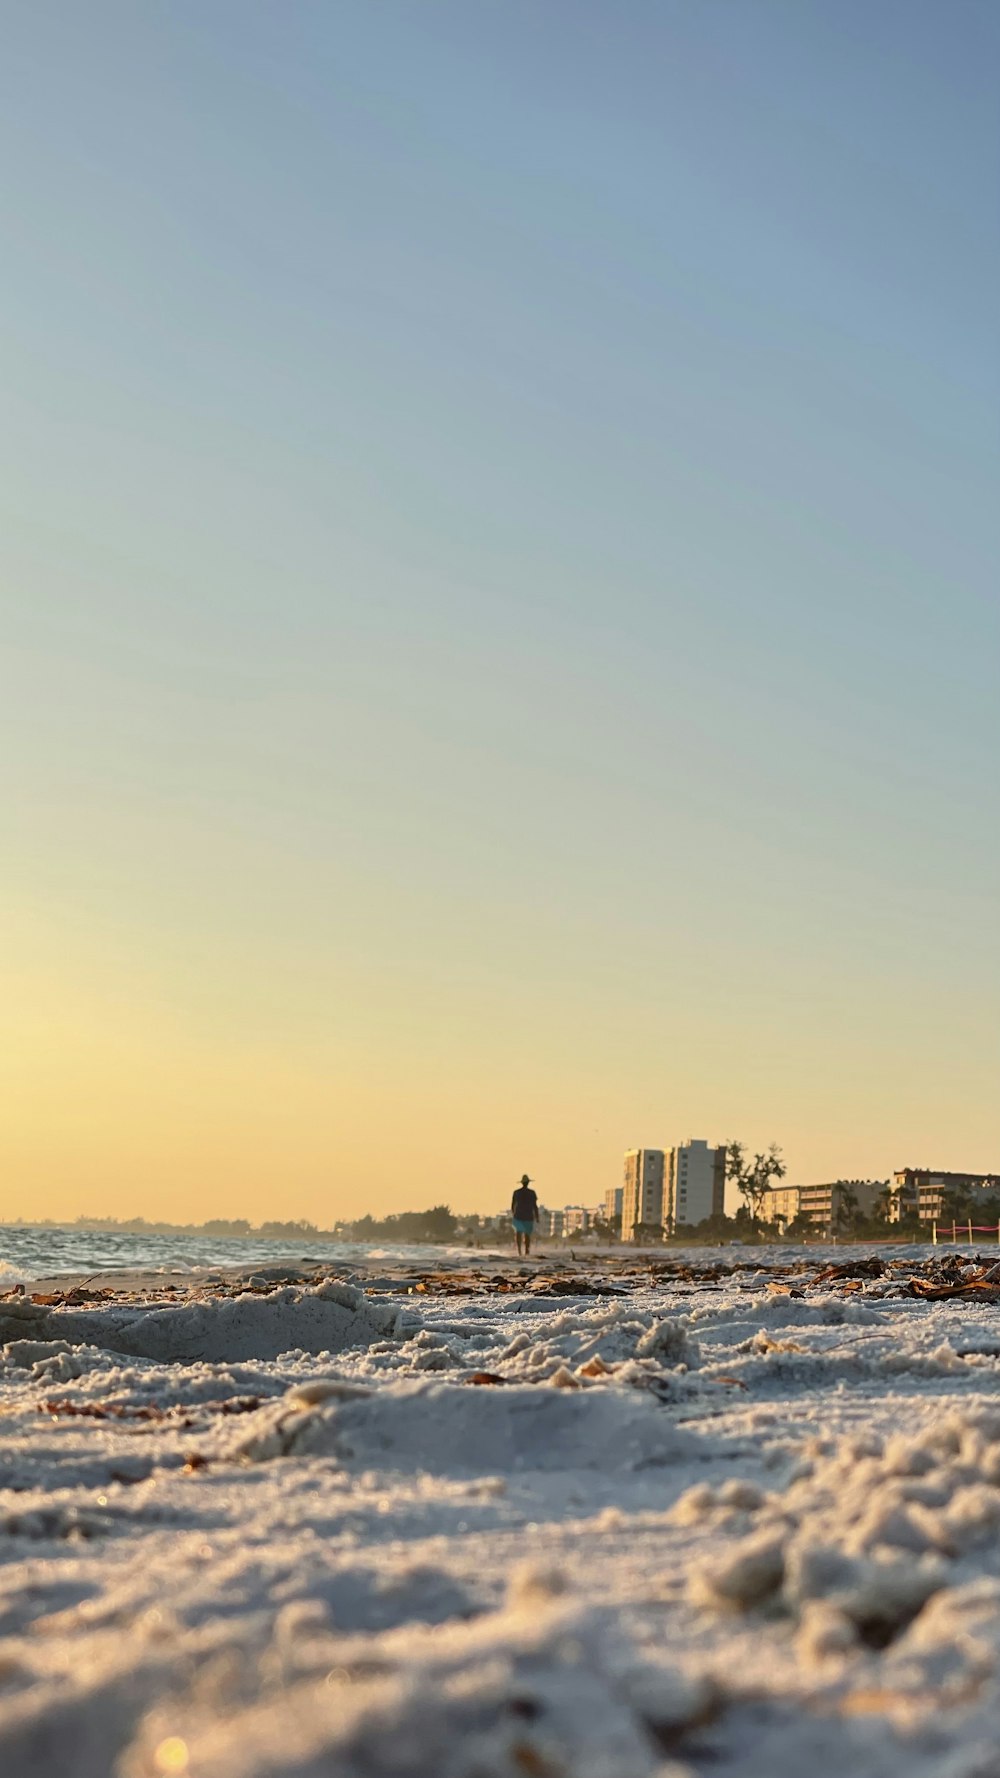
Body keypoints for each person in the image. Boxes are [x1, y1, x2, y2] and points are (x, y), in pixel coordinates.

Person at [510, 1174, 539, 1257]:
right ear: (528, 1183)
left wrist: (513, 1214)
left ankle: (520, 1251)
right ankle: (526, 1251)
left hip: (518, 1216)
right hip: (528, 1216)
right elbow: (535, 1206)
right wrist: (537, 1216)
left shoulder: (516, 1193)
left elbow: (512, 1205)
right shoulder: (532, 1193)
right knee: (527, 1235)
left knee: (518, 1233)